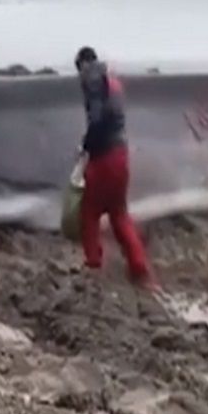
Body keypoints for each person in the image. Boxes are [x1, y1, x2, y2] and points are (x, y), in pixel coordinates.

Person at [73, 46, 154, 288]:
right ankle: (139, 268)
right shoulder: (113, 82)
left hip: (103, 158)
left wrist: (84, 146)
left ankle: (93, 266)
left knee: (88, 213)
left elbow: (96, 120)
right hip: (121, 154)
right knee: (119, 214)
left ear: (82, 65)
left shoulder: (91, 78)